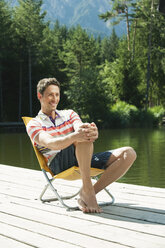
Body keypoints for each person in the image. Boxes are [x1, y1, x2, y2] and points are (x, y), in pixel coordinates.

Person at [27, 77, 136, 213]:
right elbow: (51, 144)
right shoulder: (34, 124)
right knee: (81, 136)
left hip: (81, 157)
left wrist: (92, 132)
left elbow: (80, 128)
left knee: (129, 153)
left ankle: (87, 192)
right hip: (58, 163)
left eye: (57, 94)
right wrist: (78, 135)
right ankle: (89, 191)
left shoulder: (70, 114)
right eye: (50, 95)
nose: (54, 98)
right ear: (40, 96)